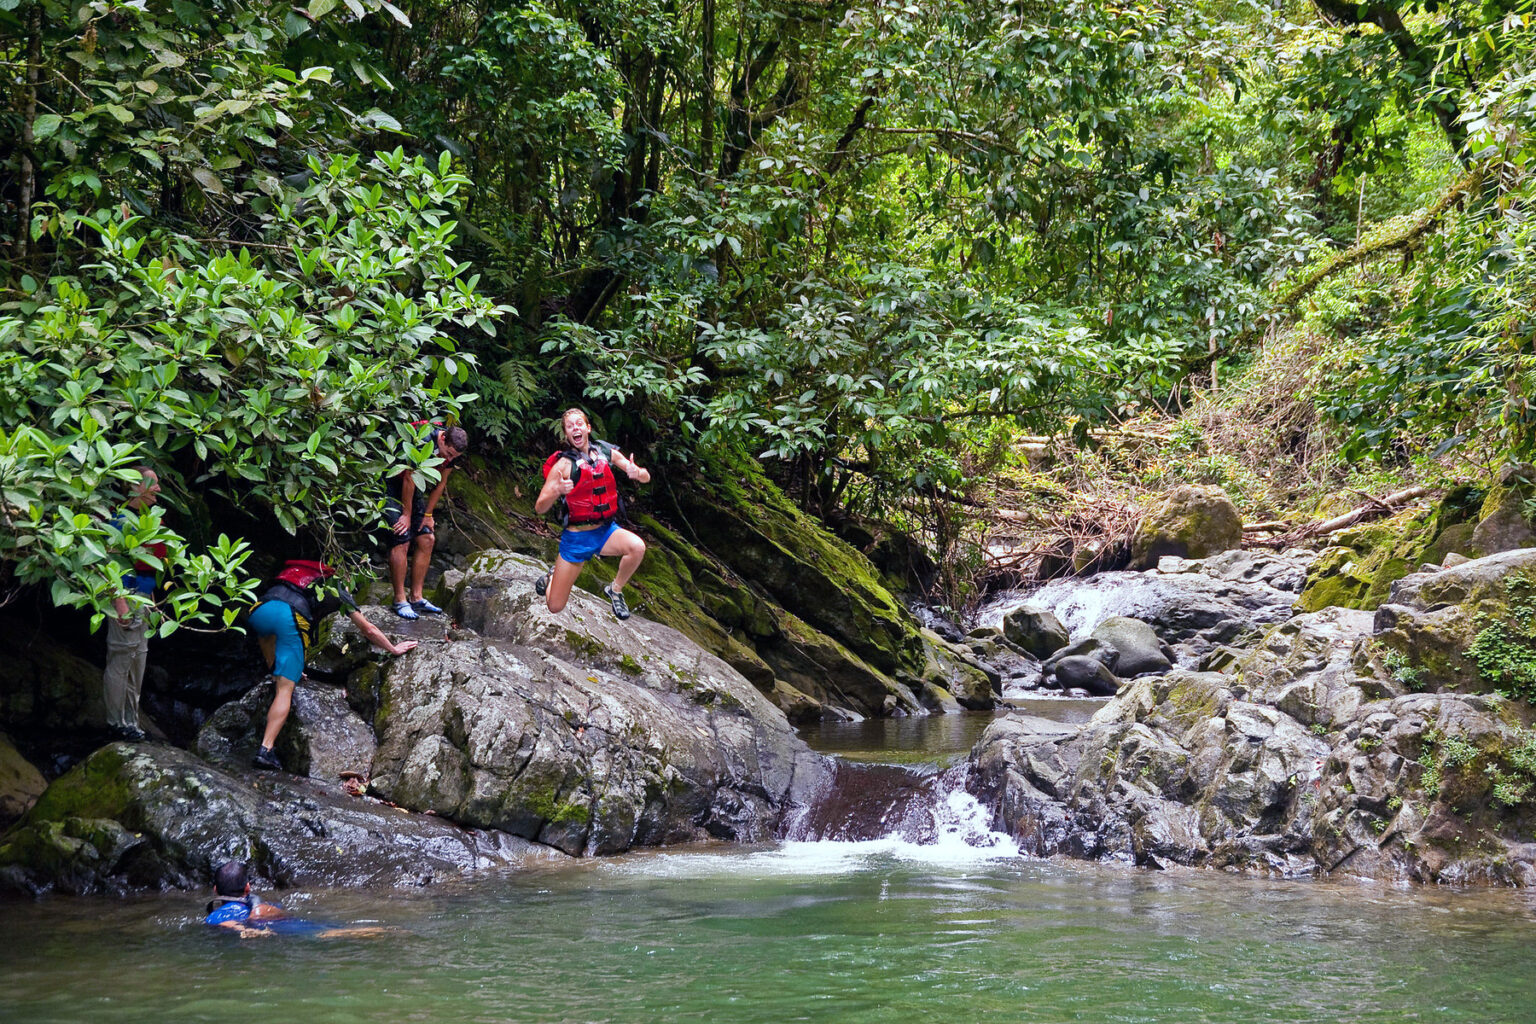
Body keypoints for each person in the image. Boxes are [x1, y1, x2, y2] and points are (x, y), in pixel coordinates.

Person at [247, 559, 417, 771]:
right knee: (285, 689)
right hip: (287, 616)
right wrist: (393, 648)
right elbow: (368, 629)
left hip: (259, 610)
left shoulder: (300, 573)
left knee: (269, 637)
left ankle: (276, 672)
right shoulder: (337, 588)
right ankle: (266, 749)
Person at [533, 408, 650, 620]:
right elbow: (540, 507)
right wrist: (557, 491)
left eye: (579, 424)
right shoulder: (563, 465)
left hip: (605, 532)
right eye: (570, 427)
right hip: (577, 539)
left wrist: (637, 473)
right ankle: (552, 578)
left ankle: (614, 590)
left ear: (588, 428)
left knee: (637, 547)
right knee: (554, 606)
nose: (575, 428)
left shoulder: (606, 453)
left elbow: (645, 476)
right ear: (567, 435)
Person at [382, 423, 468, 620]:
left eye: (454, 457)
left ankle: (416, 597)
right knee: (401, 537)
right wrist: (406, 514)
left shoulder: (452, 453)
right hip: (391, 482)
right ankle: (399, 599)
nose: (449, 458)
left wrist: (428, 515)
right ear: (443, 438)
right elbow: (408, 479)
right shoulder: (423, 440)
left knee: (427, 539)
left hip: (415, 488)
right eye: (448, 453)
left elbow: (441, 483)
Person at [104, 467, 164, 743]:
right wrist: (120, 605)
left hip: (143, 600)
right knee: (121, 659)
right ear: (135, 486)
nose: (158, 490)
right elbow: (109, 566)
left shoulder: (145, 521)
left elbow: (147, 568)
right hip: (125, 599)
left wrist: (153, 605)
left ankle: (132, 723)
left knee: (138, 661)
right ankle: (116, 723)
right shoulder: (119, 521)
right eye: (153, 484)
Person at [205, 860, 390, 939]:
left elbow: (229, 924)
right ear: (248, 887)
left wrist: (246, 930)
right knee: (330, 930)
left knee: (327, 934)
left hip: (269, 930)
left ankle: (382, 932)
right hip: (288, 925)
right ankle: (386, 931)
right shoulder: (261, 906)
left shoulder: (215, 916)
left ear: (215, 890)